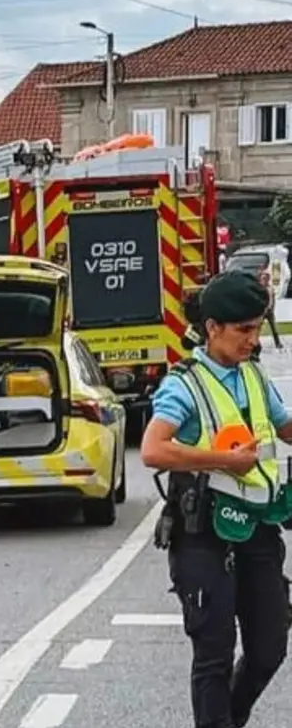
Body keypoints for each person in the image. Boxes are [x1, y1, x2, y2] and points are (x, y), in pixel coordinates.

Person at [141, 270, 292, 728]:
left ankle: (230, 718)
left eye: (258, 327)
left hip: (258, 527)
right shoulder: (183, 385)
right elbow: (152, 450)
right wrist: (223, 461)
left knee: (269, 647)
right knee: (214, 652)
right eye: (243, 330)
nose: (252, 339)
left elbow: (284, 427)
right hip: (203, 534)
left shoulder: (253, 377)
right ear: (212, 328)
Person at [258, 270, 282, 350]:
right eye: (264, 278)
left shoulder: (270, 288)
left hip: (270, 311)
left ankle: (278, 343)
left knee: (274, 328)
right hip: (261, 312)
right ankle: (255, 344)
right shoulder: (259, 289)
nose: (265, 279)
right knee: (257, 329)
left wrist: (272, 309)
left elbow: (273, 299)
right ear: (261, 278)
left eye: (267, 278)